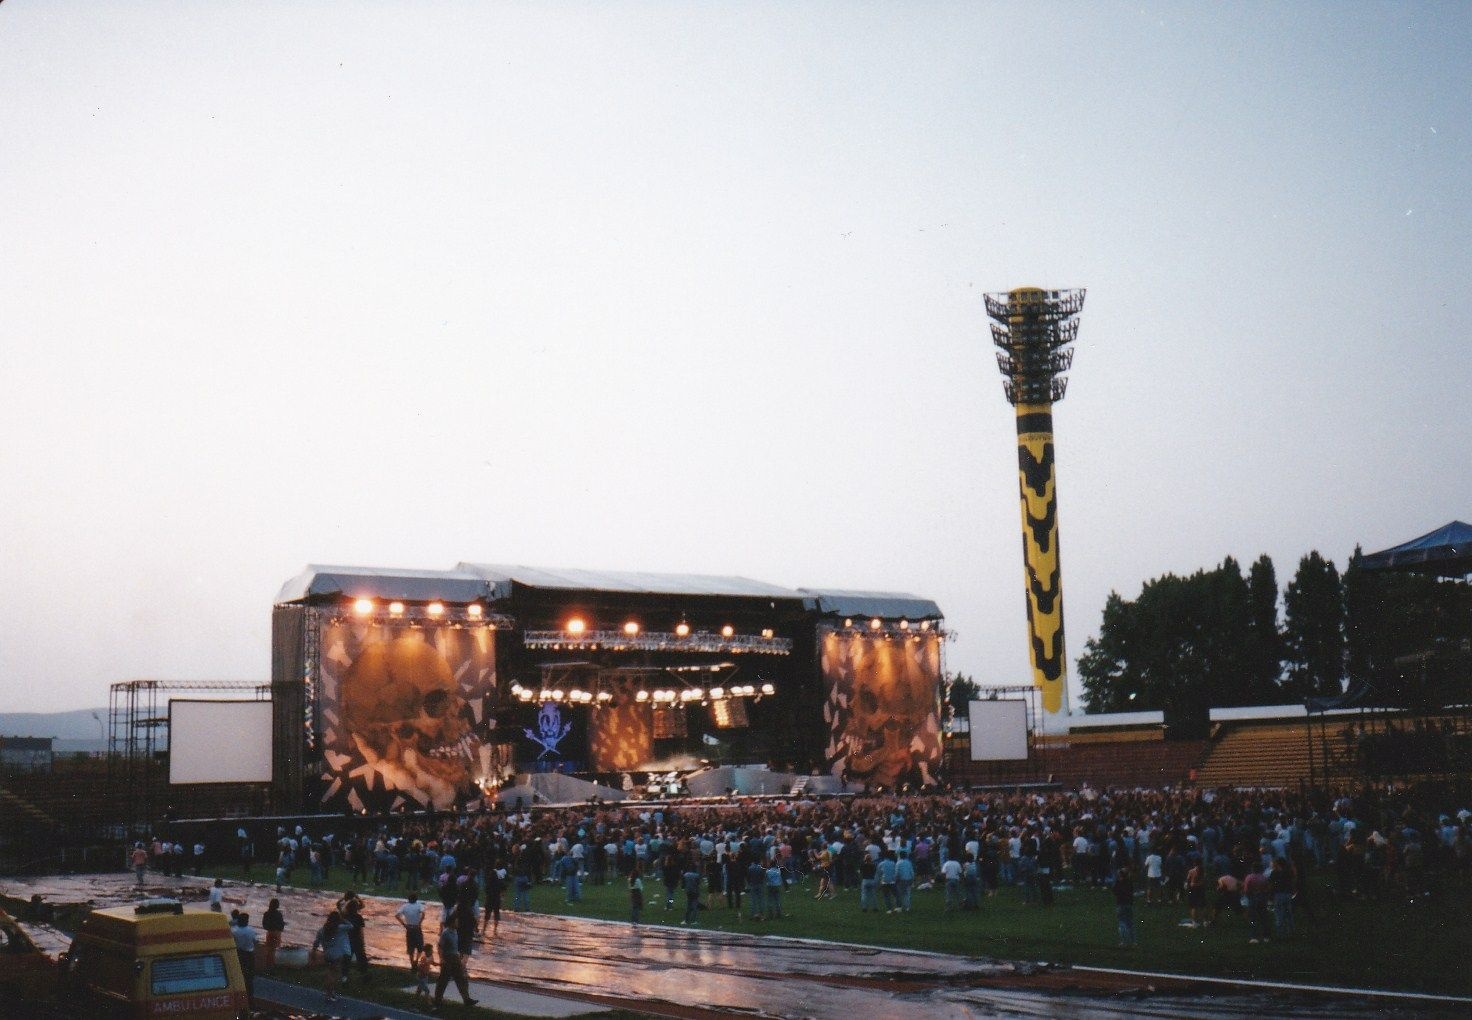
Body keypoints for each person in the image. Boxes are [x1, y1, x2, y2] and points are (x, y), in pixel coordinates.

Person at [433, 907, 477, 1009]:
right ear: (452, 922)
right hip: (448, 958)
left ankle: (466, 999)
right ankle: (437, 1000)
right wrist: (441, 959)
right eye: (456, 921)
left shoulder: (455, 932)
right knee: (443, 980)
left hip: (455, 957)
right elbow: (440, 946)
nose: (458, 923)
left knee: (461, 978)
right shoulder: (446, 933)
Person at [312, 909, 353, 1003]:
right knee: (334, 974)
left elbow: (316, 942)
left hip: (327, 954)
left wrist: (314, 951)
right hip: (337, 955)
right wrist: (343, 919)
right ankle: (330, 994)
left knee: (329, 972)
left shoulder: (322, 930)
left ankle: (328, 992)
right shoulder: (340, 928)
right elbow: (351, 926)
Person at [231, 912, 258, 1009]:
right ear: (247, 921)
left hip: (238, 954)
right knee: (249, 978)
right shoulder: (251, 931)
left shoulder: (234, 931)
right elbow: (255, 941)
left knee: (238, 975)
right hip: (249, 955)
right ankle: (250, 1000)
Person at [395, 892, 426, 966]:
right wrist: (419, 923)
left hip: (409, 928)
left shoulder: (404, 906)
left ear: (408, 899)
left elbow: (396, 915)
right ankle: (416, 960)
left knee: (410, 947)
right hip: (417, 928)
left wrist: (404, 924)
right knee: (420, 946)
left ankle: (412, 963)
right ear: (416, 899)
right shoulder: (419, 905)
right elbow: (423, 914)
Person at [1112, 864, 1136, 947]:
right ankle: (1133, 941)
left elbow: (1114, 891)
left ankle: (1123, 942)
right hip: (1129, 904)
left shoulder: (1118, 883)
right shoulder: (1129, 883)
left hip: (1120, 904)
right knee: (1130, 923)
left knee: (1121, 923)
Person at [262, 898, 286, 970]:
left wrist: (269, 928)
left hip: (269, 933)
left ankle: (268, 965)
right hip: (277, 933)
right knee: (275, 950)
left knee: (269, 950)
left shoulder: (267, 913)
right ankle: (273, 966)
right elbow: (282, 925)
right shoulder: (279, 914)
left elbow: (264, 925)